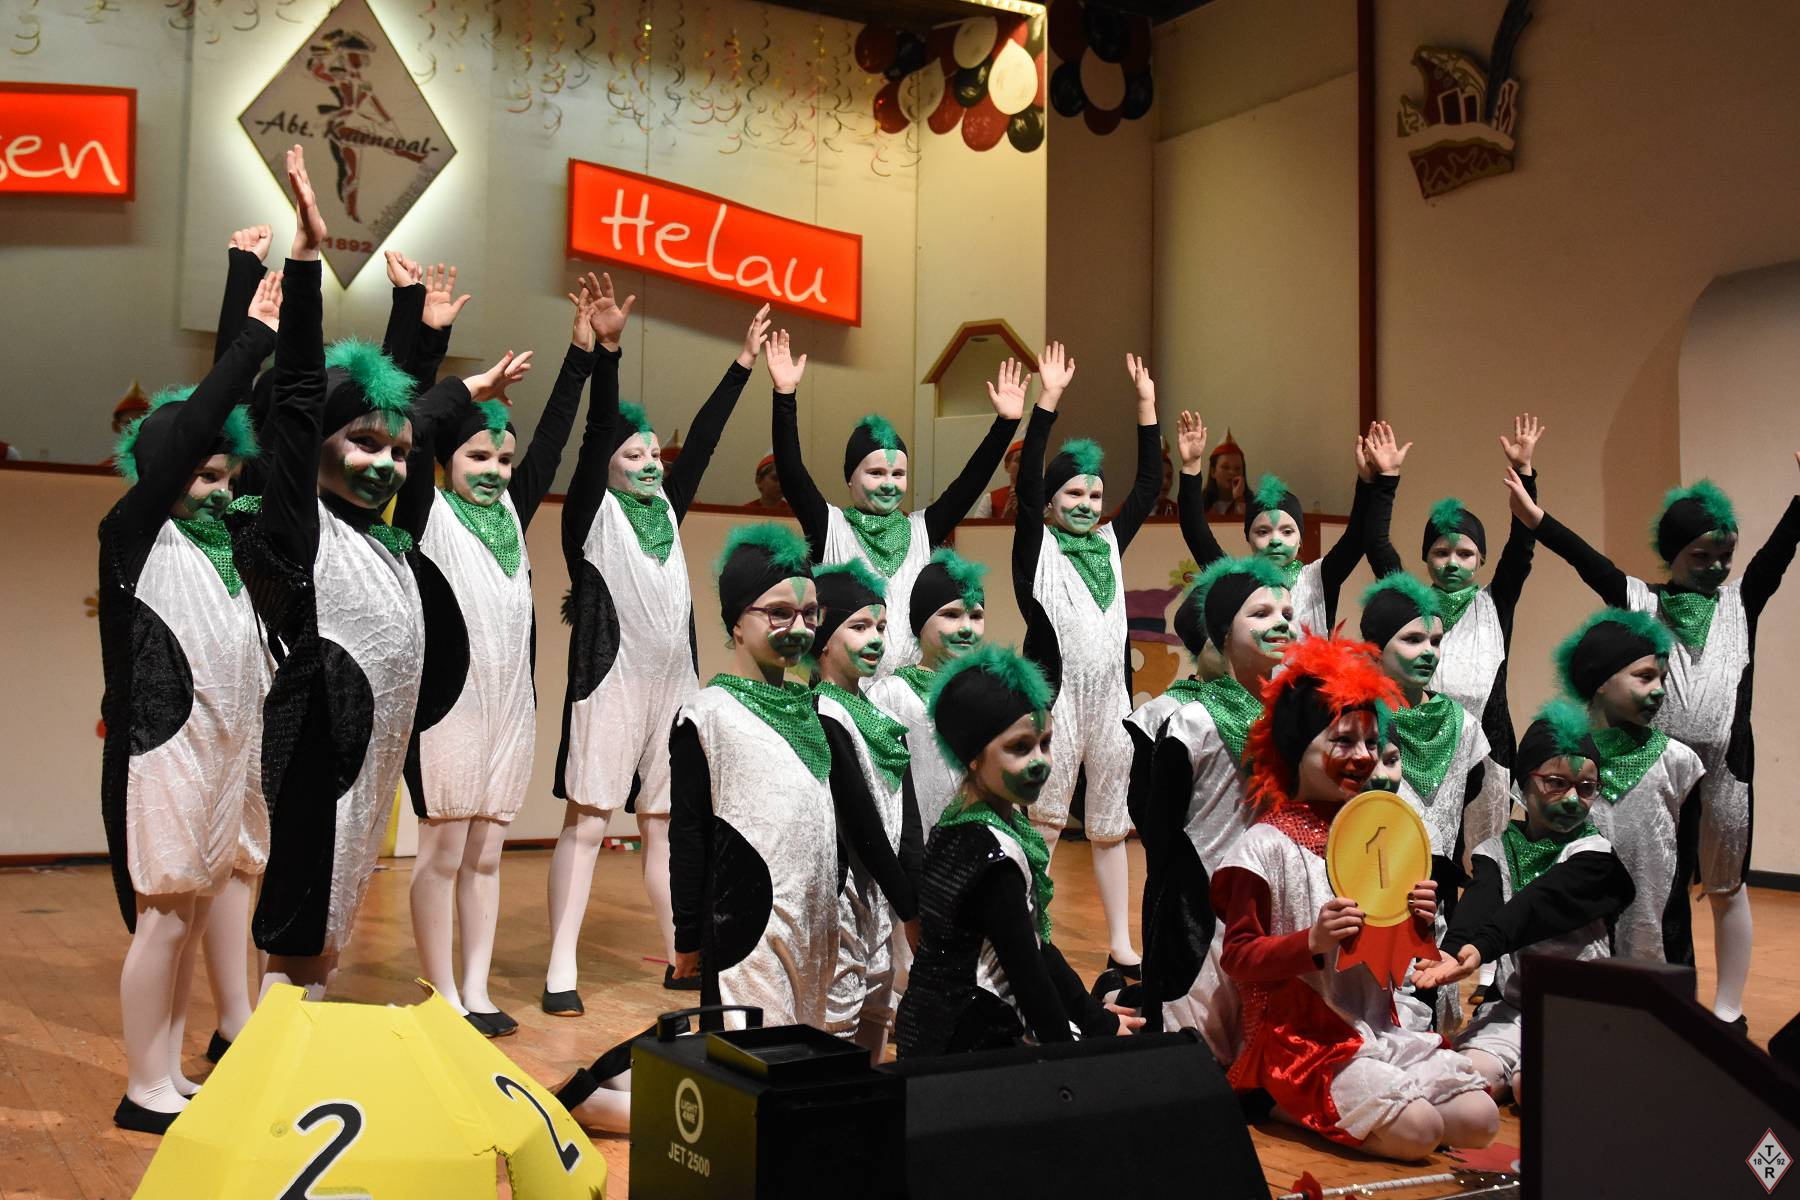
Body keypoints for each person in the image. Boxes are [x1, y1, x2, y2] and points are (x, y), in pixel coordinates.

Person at [226, 145, 524, 1001]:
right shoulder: (298, 526)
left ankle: (285, 1044)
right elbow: (300, 400)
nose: (387, 464)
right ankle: (271, 1061)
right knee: (300, 943)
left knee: (325, 945)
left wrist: (432, 345)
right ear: (314, 447)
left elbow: (403, 416)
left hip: (365, 782)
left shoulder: (380, 534)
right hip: (313, 774)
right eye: (361, 446)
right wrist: (306, 261)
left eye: (397, 454)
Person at [1505, 462, 1800, 1031]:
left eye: (1724, 556)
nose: (1715, 567)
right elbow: (1588, 562)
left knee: (1727, 884)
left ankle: (1729, 1009)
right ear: (1673, 553)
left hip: (1726, 768)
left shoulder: (1741, 601)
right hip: (1652, 767)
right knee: (1660, 882)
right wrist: (1537, 520)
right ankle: (1637, 988)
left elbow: (1779, 552)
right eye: (1701, 556)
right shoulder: (1641, 599)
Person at [544, 286, 770, 1012]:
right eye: (632, 453)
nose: (648, 463)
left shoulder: (667, 509)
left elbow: (701, 440)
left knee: (665, 828)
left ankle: (683, 954)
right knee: (587, 823)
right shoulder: (591, 516)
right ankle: (559, 968)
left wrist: (742, 364)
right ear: (607, 465)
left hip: (673, 688)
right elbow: (593, 433)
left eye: (651, 454)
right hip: (609, 684)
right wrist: (608, 353)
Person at [99, 276, 280, 1133]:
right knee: (165, 920)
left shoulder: (228, 541)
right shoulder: (135, 532)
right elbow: (196, 424)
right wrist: (250, 333)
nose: (217, 488)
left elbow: (256, 429)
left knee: (198, 910)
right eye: (203, 474)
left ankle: (169, 1071)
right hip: (162, 753)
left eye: (225, 475)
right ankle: (143, 1087)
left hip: (221, 755)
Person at [394, 280, 600, 1037]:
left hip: (510, 709)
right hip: (447, 711)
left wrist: (580, 354)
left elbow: (554, 439)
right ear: (444, 460)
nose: (494, 469)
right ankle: (442, 992)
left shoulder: (513, 508)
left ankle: (477, 990)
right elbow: (412, 420)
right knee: (442, 854)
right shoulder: (423, 510)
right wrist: (438, 349)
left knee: (486, 856)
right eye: (477, 455)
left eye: (502, 459)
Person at [1213, 633, 1498, 1161]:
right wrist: (1311, 941)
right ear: (1298, 747)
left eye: (1371, 742)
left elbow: (1387, 956)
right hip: (1299, 1039)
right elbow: (1238, 957)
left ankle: (1368, 1100)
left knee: (1480, 1119)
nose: (1363, 757)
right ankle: (1271, 1097)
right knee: (1419, 1131)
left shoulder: (1380, 835)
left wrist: (1415, 922)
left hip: (1375, 1024)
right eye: (1343, 742)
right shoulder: (1264, 845)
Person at [894, 645, 1142, 1055]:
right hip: (964, 1048)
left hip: (935, 1031)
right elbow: (1029, 977)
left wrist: (1096, 1020)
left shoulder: (958, 823)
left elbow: (1038, 950)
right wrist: (1073, 1061)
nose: (1040, 761)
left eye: (1045, 743)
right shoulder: (993, 856)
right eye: (1019, 747)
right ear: (973, 756)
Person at [1012, 345, 1162, 977]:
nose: (1086, 502)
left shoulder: (1109, 541)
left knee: (1110, 828)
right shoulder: (1037, 546)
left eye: (1095, 493)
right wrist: (1045, 404)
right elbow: (1025, 487)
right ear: (1049, 502)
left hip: (1111, 706)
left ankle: (1121, 941)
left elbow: (1149, 488)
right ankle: (1025, 931)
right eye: (1072, 492)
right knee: (1044, 824)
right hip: (1056, 703)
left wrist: (1146, 407)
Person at [1418, 700, 1637, 1104]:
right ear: (1523, 782)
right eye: (1556, 782)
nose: (1572, 799)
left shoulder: (1595, 856)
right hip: (1516, 1008)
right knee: (1467, 1078)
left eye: (1586, 788)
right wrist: (1454, 950)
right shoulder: (1495, 850)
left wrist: (1482, 947)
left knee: (1530, 1086)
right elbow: (1479, 905)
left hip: (1580, 1011)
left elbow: (1537, 903)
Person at [770, 331, 1023, 673]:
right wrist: (784, 396)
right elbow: (791, 473)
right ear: (850, 478)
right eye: (876, 473)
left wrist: (1005, 425)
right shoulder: (831, 526)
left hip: (911, 692)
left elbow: (969, 483)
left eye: (898, 474)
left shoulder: (921, 529)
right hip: (843, 691)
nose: (889, 484)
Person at [668, 524, 836, 1028]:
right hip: (745, 937)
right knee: (746, 1059)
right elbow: (689, 834)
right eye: (779, 613)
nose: (800, 627)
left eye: (810, 613)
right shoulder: (705, 715)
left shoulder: (818, 711)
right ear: (737, 623)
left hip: (815, 934)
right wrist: (688, 934)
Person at [1139, 556, 1292, 1053]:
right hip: (1201, 904)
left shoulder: (1297, 719)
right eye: (1261, 614)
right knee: (1200, 1044)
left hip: (1274, 898)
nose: (1280, 623)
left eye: (1287, 614)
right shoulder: (1193, 721)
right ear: (1223, 632)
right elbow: (1159, 829)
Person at [1362, 415, 1545, 815]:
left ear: (1481, 558)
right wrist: (1386, 480)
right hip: (1414, 748)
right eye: (1441, 552)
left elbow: (1522, 547)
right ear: (1426, 557)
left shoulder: (1495, 603)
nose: (1452, 563)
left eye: (1464, 554)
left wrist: (1524, 473)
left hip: (1488, 754)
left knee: (1482, 850)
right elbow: (1377, 545)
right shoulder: (1409, 604)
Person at [811, 561, 923, 1058]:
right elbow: (861, 826)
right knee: (837, 1020)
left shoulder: (882, 715)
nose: (875, 638)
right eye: (858, 627)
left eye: (880, 626)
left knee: (877, 1011)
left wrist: (913, 896)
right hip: (844, 899)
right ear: (823, 640)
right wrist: (909, 907)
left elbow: (908, 818)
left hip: (883, 900)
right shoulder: (822, 714)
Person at [1551, 608, 1705, 965]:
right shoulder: (1556, 758)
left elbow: (1684, 863)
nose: (1659, 690)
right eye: (1645, 677)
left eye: (1663, 678)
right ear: (1601, 681)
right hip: (1572, 942)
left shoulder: (1680, 763)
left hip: (1654, 941)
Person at [1176, 415, 1399, 640]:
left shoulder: (1317, 580)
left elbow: (1356, 537)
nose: (1275, 540)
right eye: (1263, 532)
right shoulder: (1235, 582)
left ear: (1300, 539)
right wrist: (1191, 467)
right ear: (1248, 538)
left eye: (1287, 531)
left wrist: (1368, 481)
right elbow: (1197, 534)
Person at [866, 548, 990, 830]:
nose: (966, 627)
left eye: (976, 616)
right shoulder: (890, 695)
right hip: (913, 842)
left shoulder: (992, 693)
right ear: (920, 623)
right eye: (951, 615)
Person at [971, 439, 1025, 519]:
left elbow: (1046, 526)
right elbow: (976, 527)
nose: (1025, 465)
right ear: (1007, 465)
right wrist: (1005, 519)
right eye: (1019, 460)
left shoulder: (1042, 499)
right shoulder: (990, 499)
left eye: (1031, 461)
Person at [1199, 428, 1245, 517]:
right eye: (1225, 467)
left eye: (1237, 468)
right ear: (1213, 472)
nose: (1232, 472)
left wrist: (1239, 500)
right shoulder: (1198, 504)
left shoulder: (1253, 504)